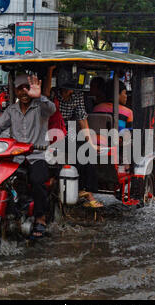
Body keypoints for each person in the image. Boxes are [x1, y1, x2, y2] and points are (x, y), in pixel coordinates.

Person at [0, 74, 56, 238]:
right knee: (0, 180)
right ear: (16, 91)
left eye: (27, 88)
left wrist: (39, 96)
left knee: (37, 181)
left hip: (37, 155)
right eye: (20, 89)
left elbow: (52, 109)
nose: (24, 92)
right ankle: (6, 212)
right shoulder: (12, 110)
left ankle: (40, 219)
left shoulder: (41, 107)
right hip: (16, 157)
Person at [43, 66, 104, 208]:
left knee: (87, 151)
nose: (68, 91)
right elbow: (46, 94)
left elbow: (82, 119)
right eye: (66, 89)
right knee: (76, 152)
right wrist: (50, 71)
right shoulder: (53, 93)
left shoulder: (77, 95)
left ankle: (86, 190)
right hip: (49, 132)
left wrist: (91, 143)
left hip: (67, 130)